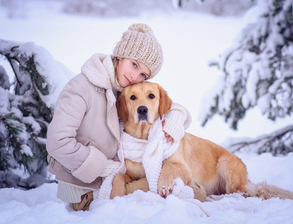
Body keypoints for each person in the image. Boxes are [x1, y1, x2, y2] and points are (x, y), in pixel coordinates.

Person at [46, 23, 195, 212]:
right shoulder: (81, 88)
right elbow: (57, 143)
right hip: (86, 189)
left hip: (116, 177)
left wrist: (175, 116)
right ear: (120, 55)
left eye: (143, 74)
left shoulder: (123, 89)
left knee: (180, 186)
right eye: (134, 64)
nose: (135, 76)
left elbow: (156, 101)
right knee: (189, 191)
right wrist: (101, 167)